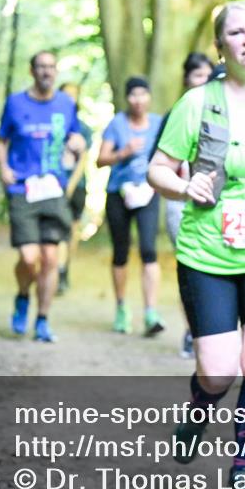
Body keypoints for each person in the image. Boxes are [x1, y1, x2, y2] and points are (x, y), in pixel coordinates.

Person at [149, 2, 245, 489]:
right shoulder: (197, 102)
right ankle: (198, 411)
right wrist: (183, 186)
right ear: (220, 47)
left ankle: (243, 469)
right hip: (206, 253)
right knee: (218, 372)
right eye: (237, 32)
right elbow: (158, 168)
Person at [0, 50, 85, 343]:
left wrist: (77, 144)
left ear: (56, 72)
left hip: (53, 188)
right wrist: (3, 167)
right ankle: (23, 295)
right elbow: (1, 141)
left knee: (50, 258)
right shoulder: (15, 103)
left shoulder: (66, 104)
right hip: (22, 188)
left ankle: (43, 320)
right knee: (29, 257)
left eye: (51, 67)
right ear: (32, 71)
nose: (46, 72)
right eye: (41, 67)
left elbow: (75, 138)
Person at [97, 76, 164, 335]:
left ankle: (151, 312)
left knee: (148, 249)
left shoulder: (158, 123)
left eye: (142, 94)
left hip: (148, 192)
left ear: (149, 97)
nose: (138, 100)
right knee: (121, 251)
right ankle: (122, 308)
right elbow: (101, 160)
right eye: (133, 95)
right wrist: (123, 152)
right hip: (119, 193)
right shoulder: (117, 124)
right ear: (127, 98)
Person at [165, 52, 215, 358]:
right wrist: (183, 186)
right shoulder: (180, 111)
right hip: (180, 200)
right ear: (186, 79)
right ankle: (191, 329)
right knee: (192, 265)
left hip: (217, 204)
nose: (204, 82)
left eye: (208, 76)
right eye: (198, 76)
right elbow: (160, 163)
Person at [56, 82, 94, 295]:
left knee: (71, 231)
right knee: (57, 230)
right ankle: (57, 270)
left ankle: (64, 269)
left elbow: (83, 160)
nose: (70, 99)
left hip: (76, 187)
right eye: (66, 95)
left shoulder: (83, 129)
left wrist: (70, 186)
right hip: (52, 186)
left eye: (74, 95)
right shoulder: (51, 124)